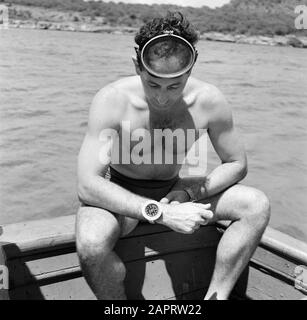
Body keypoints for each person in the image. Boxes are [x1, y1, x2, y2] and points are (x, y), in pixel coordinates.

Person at [76, 12, 270, 300]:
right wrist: (161, 212)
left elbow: (236, 164)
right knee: (91, 244)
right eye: (153, 84)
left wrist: (186, 194)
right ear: (137, 66)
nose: (162, 97)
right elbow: (87, 184)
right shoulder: (112, 100)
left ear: (189, 71)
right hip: (121, 194)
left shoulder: (209, 101)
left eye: (174, 86)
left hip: (173, 191)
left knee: (256, 205)